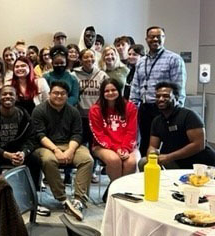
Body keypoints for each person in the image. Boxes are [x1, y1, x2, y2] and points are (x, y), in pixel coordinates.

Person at [32, 81, 93, 221]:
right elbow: (40, 135)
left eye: (62, 94)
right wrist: (56, 150)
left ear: (67, 95)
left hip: (69, 144)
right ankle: (63, 198)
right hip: (46, 146)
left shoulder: (73, 111)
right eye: (56, 93)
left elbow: (77, 134)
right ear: (49, 94)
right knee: (48, 160)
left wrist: (70, 151)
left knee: (87, 159)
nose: (59, 96)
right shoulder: (39, 110)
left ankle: (78, 199)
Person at [0, 86, 42, 216]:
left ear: (16, 98)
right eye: (4, 94)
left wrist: (24, 152)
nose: (7, 96)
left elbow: (32, 139)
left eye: (11, 94)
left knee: (35, 158)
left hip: (18, 152)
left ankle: (33, 197)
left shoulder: (23, 115)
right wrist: (6, 154)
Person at [130, 26, 187, 157]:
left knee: (166, 143)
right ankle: (146, 172)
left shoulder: (174, 59)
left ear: (164, 38)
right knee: (145, 143)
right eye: (152, 37)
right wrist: (132, 109)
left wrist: (177, 112)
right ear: (146, 39)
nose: (155, 39)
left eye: (159, 36)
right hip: (145, 109)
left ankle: (166, 172)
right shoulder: (141, 62)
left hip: (165, 109)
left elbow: (179, 88)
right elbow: (135, 87)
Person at [139, 82, 215, 169]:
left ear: (176, 98)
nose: (160, 99)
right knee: (144, 162)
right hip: (177, 162)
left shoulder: (189, 115)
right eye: (158, 96)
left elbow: (199, 144)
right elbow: (153, 146)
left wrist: (169, 157)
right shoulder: (157, 121)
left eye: (166, 96)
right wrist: (151, 155)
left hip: (201, 165)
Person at [89, 79, 138, 185]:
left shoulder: (130, 107)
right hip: (102, 146)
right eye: (107, 91)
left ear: (119, 91)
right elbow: (99, 135)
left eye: (113, 90)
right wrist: (116, 149)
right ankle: (116, 192)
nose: (110, 93)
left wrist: (125, 148)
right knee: (114, 160)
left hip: (127, 145)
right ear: (102, 93)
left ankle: (119, 191)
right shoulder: (95, 110)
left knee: (131, 162)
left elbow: (131, 131)